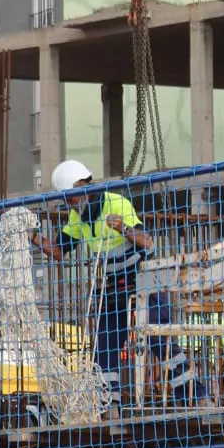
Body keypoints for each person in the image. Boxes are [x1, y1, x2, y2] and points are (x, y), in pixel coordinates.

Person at [32, 159, 195, 404]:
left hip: (141, 278)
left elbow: (147, 242)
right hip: (113, 282)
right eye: (67, 200)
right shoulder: (78, 218)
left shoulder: (116, 202)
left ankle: (194, 395)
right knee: (105, 344)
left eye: (72, 198)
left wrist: (124, 228)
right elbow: (57, 251)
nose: (71, 204)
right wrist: (32, 236)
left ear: (82, 186)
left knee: (158, 337)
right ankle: (110, 405)